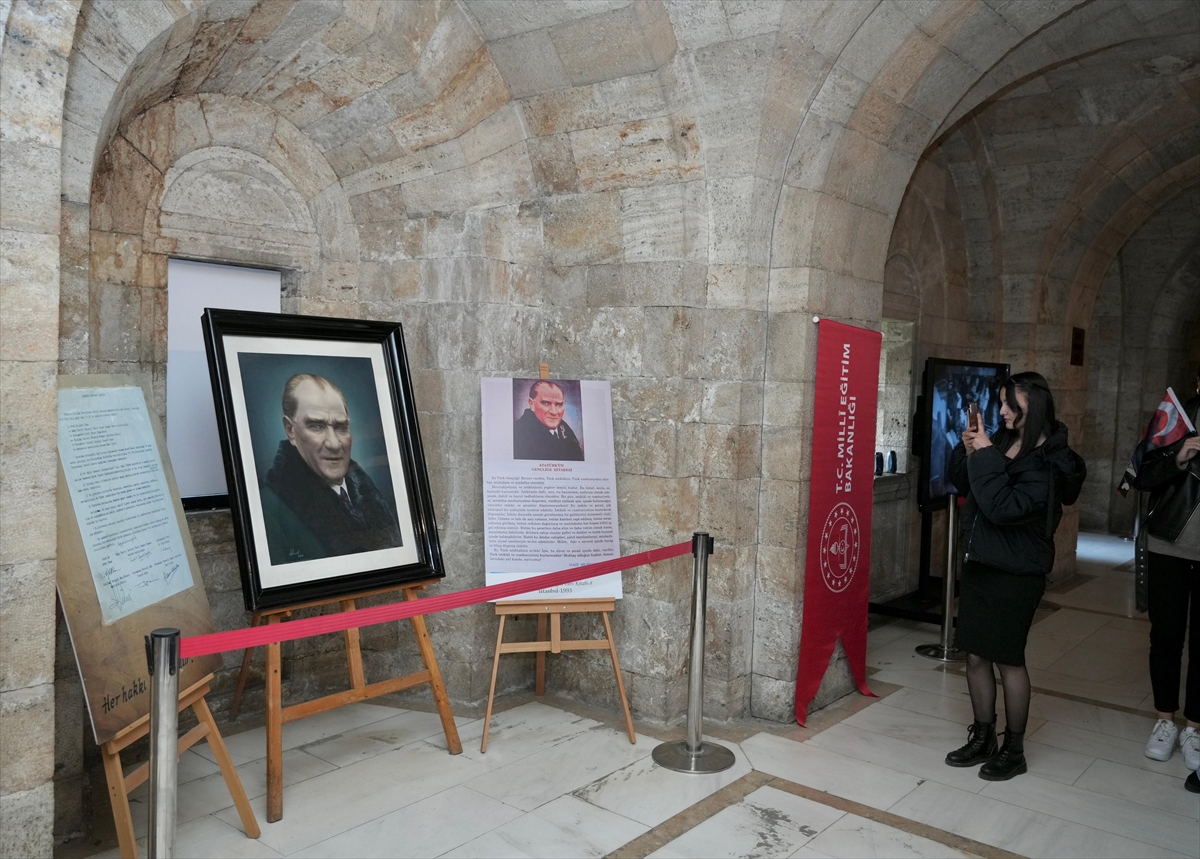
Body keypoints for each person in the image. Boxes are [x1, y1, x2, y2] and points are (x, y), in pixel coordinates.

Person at [944, 372, 1086, 780]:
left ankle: (1014, 748)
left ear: (1034, 407)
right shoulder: (1003, 441)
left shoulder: (1051, 462)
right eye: (1002, 403)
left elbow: (1005, 507)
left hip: (1018, 571)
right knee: (973, 654)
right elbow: (966, 482)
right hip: (982, 562)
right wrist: (967, 448)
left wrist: (985, 454)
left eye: (1011, 405)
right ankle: (982, 735)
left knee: (1008, 659)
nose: (1002, 411)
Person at [1133, 363, 1200, 788]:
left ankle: (1194, 728)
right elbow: (1143, 476)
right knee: (1167, 636)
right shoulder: (1177, 417)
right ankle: (1164, 720)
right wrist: (1180, 456)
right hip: (1168, 546)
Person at [261, 374, 402, 565]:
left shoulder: (374, 494)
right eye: (316, 426)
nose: (335, 444)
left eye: (341, 427)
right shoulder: (270, 510)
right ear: (290, 430)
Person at [513, 380, 584, 461]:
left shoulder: (565, 429)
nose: (554, 412)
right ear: (531, 404)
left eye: (559, 404)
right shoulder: (518, 432)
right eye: (546, 403)